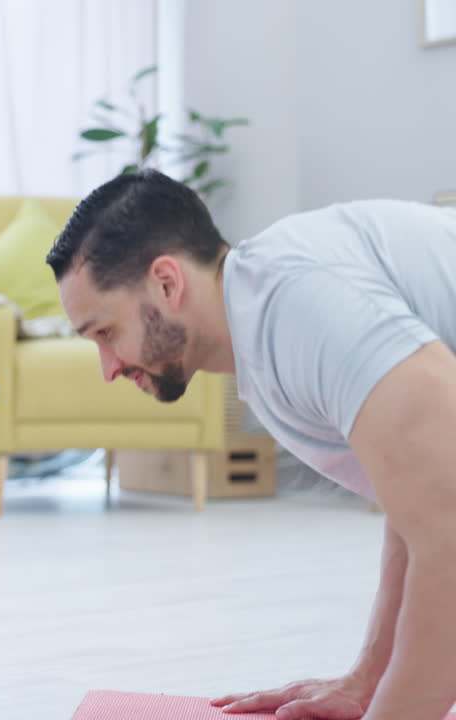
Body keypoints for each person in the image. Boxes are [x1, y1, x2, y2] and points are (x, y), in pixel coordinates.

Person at [47, 168, 456, 720]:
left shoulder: (299, 306)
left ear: (166, 284)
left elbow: (447, 521)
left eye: (105, 333)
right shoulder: (265, 324)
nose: (108, 367)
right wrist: (368, 680)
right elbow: (421, 497)